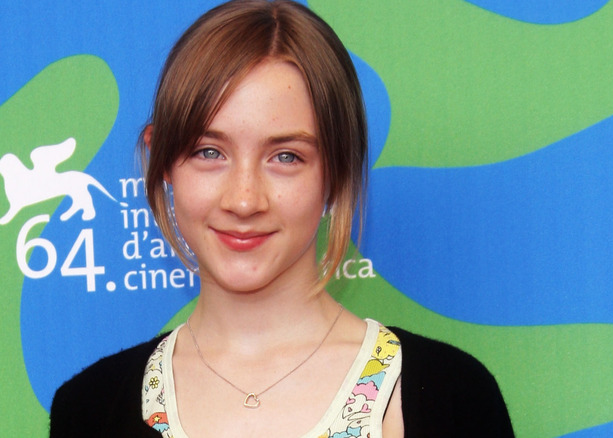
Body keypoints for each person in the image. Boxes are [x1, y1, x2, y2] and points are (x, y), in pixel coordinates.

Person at [49, 1, 514, 437]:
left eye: (286, 157)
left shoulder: (454, 398)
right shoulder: (88, 409)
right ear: (163, 162)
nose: (245, 200)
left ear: (336, 171)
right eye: (209, 152)